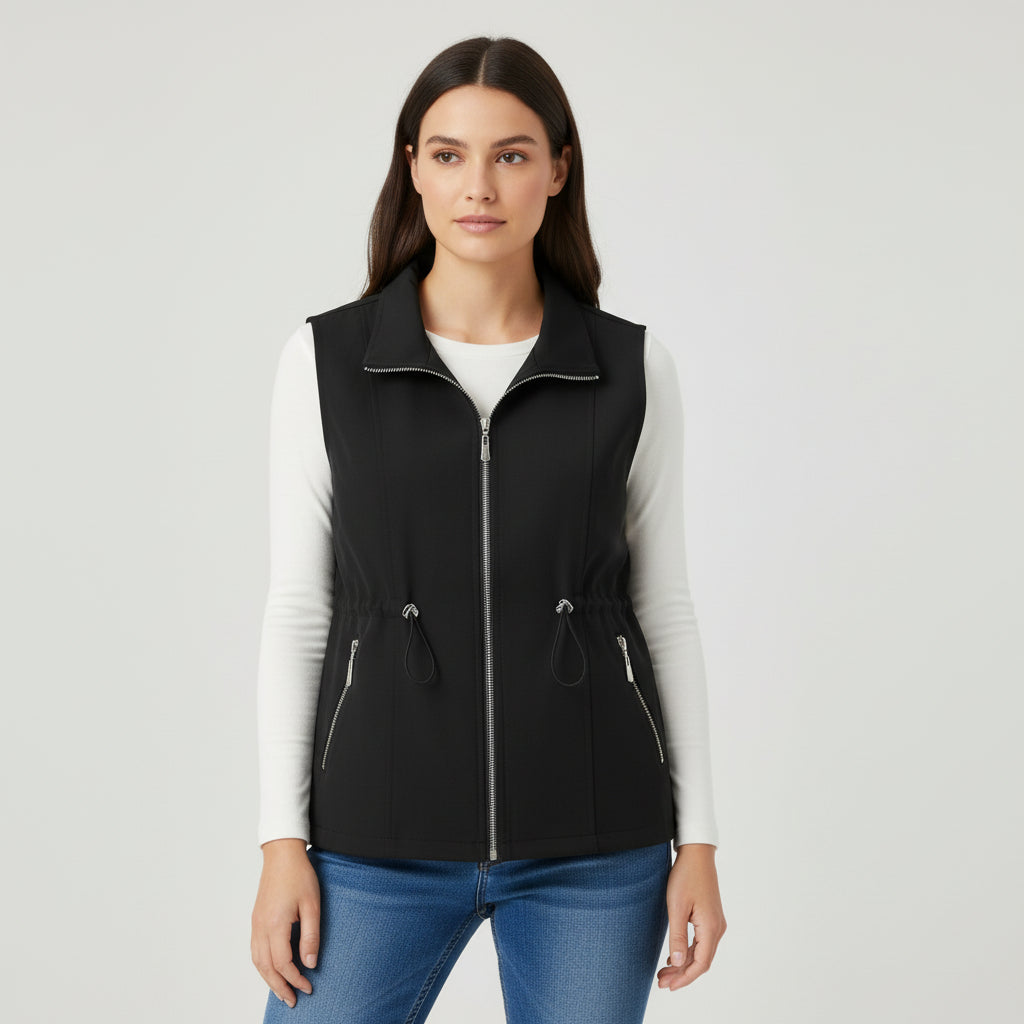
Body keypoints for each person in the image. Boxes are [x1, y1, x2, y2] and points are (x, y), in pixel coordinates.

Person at [250, 35, 726, 1024]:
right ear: (413, 169)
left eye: (511, 154)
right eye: (449, 154)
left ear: (557, 169)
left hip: (597, 843)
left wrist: (701, 843)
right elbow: (299, 610)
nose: (479, 185)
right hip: (374, 836)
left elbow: (663, 608)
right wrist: (280, 843)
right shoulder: (326, 362)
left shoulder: (631, 368)